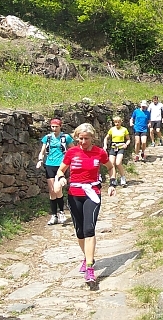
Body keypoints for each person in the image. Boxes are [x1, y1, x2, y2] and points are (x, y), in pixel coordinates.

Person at [53, 123, 115, 284]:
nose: (83, 142)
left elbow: (110, 167)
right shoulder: (72, 152)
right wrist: (60, 179)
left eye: (86, 139)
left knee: (89, 229)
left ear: (92, 138)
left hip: (92, 194)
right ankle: (87, 256)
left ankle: (89, 267)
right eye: (80, 138)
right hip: (74, 194)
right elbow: (61, 170)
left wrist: (112, 183)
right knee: (79, 231)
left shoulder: (99, 152)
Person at [36, 118, 74, 225]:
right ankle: (54, 215)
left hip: (61, 166)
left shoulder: (65, 137)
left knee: (58, 190)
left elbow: (73, 150)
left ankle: (61, 212)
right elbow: (42, 151)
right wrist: (40, 160)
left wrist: (71, 161)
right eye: (52, 126)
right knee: (52, 191)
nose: (54, 129)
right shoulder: (47, 138)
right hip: (49, 165)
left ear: (60, 126)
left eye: (56, 126)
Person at [103, 116, 130, 187]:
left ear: (121, 122)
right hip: (113, 147)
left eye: (118, 122)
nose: (117, 123)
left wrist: (126, 144)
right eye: (115, 122)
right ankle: (113, 179)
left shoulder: (124, 129)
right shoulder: (112, 129)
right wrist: (105, 145)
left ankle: (123, 178)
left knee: (118, 163)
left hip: (121, 147)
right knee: (111, 164)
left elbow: (128, 139)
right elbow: (106, 138)